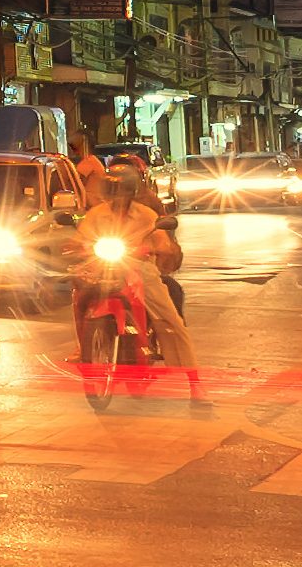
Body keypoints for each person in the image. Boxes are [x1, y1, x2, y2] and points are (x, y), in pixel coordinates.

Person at [74, 162, 205, 410]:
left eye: (121, 192)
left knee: (171, 321)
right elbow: (80, 239)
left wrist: (152, 247)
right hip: (103, 266)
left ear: (132, 192)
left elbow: (164, 244)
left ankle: (195, 382)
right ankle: (85, 345)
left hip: (139, 268)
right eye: (112, 192)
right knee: (78, 292)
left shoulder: (147, 214)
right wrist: (74, 246)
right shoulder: (96, 214)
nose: (116, 198)